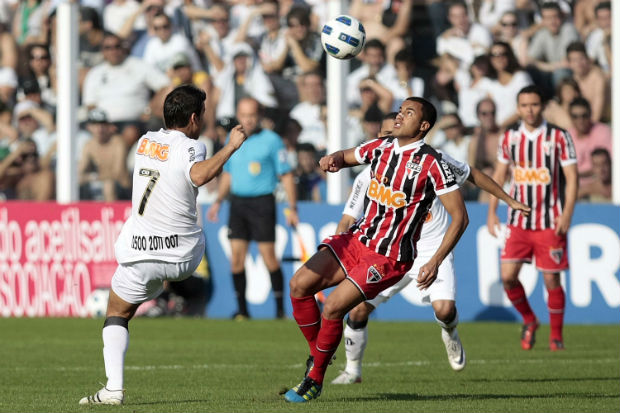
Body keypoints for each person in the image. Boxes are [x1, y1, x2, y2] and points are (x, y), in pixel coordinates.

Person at [283, 97, 469, 403]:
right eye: (400, 110)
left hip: (389, 256)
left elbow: (460, 217)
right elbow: (348, 156)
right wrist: (333, 159)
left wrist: (435, 261)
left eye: (409, 113)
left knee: (332, 307)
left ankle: (314, 379)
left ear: (423, 126)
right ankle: (320, 355)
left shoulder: (431, 163)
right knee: (299, 285)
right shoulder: (381, 147)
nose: (399, 115)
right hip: (356, 240)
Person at [78, 84, 248, 405]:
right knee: (151, 284)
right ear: (194, 118)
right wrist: (231, 146)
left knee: (117, 312)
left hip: (141, 250)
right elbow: (198, 176)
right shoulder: (191, 146)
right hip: (183, 254)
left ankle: (113, 389)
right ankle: (169, 298)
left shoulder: (144, 141)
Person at [331, 111, 530, 385]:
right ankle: (352, 370)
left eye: (394, 133)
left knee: (445, 310)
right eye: (385, 136)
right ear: (379, 140)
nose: (390, 140)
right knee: (357, 310)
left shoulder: (431, 159)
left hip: (429, 248)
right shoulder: (365, 178)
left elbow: (472, 175)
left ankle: (450, 331)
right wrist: (340, 253)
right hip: (387, 252)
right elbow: (347, 219)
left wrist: (508, 199)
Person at [487, 85, 578, 352]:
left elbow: (572, 179)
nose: (530, 110)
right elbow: (499, 176)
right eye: (525, 105)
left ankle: (556, 337)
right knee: (507, 277)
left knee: (552, 280)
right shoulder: (510, 137)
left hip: (550, 221)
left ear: (543, 106)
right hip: (518, 222)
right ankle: (529, 320)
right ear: (518, 108)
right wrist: (492, 212)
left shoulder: (559, 137)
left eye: (535, 105)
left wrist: (567, 213)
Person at [207, 97, 298, 320]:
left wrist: (292, 207)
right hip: (238, 203)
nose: (248, 120)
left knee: (269, 257)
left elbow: (285, 175)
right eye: (244, 115)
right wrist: (219, 200)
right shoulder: (234, 137)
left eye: (252, 115)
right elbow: (228, 172)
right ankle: (242, 311)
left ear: (259, 116)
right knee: (236, 259)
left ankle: (279, 311)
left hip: (262, 203)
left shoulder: (272, 140)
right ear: (238, 115)